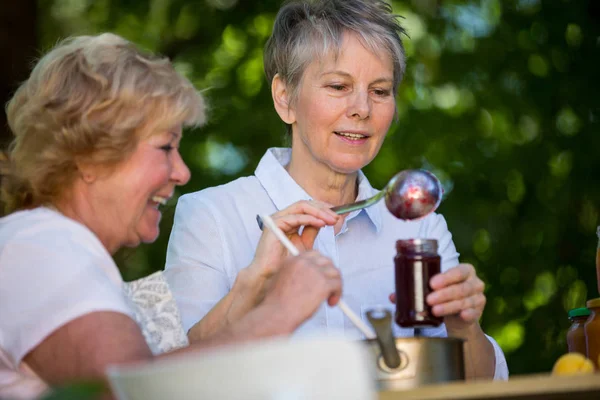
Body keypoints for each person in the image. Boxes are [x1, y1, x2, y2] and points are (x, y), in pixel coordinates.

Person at [164, 0, 509, 380]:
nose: (362, 108)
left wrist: (464, 328)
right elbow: (171, 380)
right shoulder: (210, 215)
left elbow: (476, 385)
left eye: (379, 91)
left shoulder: (419, 227)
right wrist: (256, 287)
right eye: (338, 86)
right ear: (285, 98)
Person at [0, 33, 344, 400]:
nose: (182, 172)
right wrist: (279, 312)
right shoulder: (37, 247)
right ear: (88, 156)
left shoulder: (50, 247)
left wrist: (254, 282)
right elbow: (132, 392)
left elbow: (172, 366)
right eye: (165, 147)